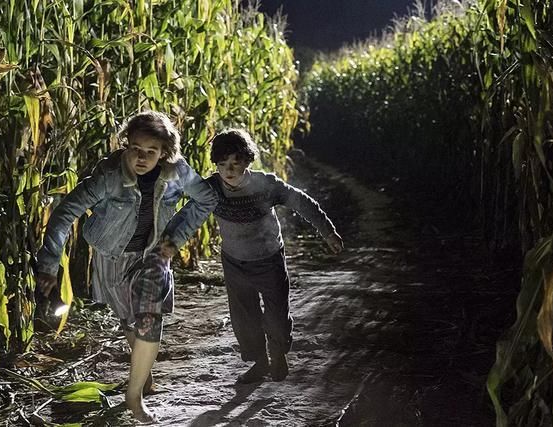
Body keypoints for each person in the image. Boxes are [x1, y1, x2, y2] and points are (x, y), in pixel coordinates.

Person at [36, 111, 217, 422]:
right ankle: (143, 377)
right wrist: (49, 266)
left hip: (154, 255)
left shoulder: (178, 173)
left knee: (148, 317)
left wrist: (174, 239)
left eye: (151, 151)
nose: (142, 158)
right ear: (126, 144)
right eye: (135, 148)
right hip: (112, 257)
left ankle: (133, 397)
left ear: (164, 152)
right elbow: (64, 214)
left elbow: (206, 200)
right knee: (130, 320)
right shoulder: (109, 176)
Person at [205, 128, 343, 383]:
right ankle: (261, 363)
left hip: (268, 259)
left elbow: (301, 202)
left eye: (235, 163)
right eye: (222, 164)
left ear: (247, 161)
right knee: (244, 318)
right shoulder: (211, 189)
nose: (229, 170)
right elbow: (188, 214)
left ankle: (278, 353)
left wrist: (328, 231)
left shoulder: (266, 185)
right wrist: (169, 241)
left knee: (277, 315)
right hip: (234, 262)